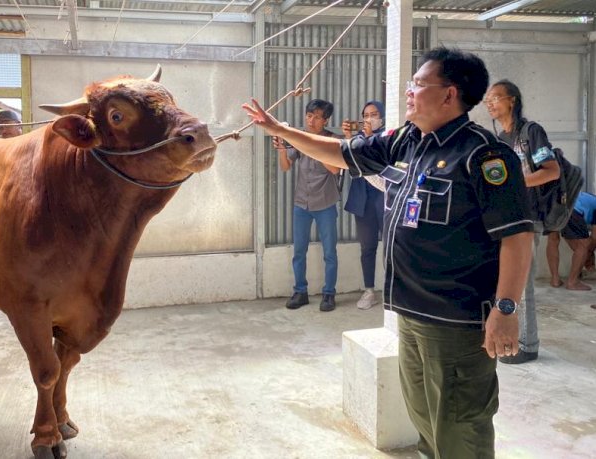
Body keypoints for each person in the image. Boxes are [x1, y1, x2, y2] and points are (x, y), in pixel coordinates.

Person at [244, 47, 533, 459]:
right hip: (412, 316)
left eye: (418, 83)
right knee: (427, 426)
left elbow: (517, 236)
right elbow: (341, 155)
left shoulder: (483, 155)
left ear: (449, 95)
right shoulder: (408, 140)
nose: (408, 91)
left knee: (459, 428)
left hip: (456, 321)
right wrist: (285, 131)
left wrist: (505, 309)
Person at [485, 79, 560, 364]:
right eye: (487, 100)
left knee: (523, 283)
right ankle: (509, 339)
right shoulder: (497, 140)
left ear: (512, 100)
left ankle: (528, 345)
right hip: (504, 220)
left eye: (495, 98)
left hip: (529, 217)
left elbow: (551, 171)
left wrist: (514, 184)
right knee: (504, 281)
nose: (490, 103)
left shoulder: (531, 132)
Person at [274, 99, 341, 312]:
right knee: (299, 251)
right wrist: (282, 149)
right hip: (301, 203)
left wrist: (313, 146)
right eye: (309, 116)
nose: (311, 121)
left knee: (329, 252)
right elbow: (285, 167)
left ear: (326, 120)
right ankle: (300, 291)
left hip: (326, 203)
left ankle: (329, 294)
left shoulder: (333, 140)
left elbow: (335, 169)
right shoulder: (299, 139)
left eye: (317, 117)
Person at [341, 101, 386, 310]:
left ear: (383, 117)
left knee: (392, 248)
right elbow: (350, 160)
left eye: (374, 114)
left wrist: (370, 138)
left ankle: (393, 290)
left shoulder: (389, 138)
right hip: (364, 202)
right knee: (367, 247)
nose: (369, 119)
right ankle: (369, 291)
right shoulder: (357, 140)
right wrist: (350, 139)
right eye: (366, 115)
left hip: (385, 200)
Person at [547, 191, 596, 289]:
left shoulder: (590, 199)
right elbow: (594, 237)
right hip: (572, 207)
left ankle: (555, 280)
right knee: (583, 246)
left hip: (551, 204)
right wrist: (589, 253)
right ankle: (572, 282)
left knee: (553, 239)